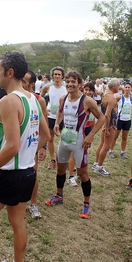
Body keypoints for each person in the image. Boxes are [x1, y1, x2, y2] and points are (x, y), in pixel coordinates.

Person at [0, 51, 49, 262]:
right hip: (28, 174)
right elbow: (46, 135)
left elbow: (12, 146)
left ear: (10, 72)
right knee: (18, 222)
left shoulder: (7, 101)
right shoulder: (33, 99)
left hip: (7, 175)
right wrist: (29, 152)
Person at [45, 71, 105, 219]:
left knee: (83, 173)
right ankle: (59, 195)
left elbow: (102, 118)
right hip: (65, 140)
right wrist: (57, 124)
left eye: (73, 81)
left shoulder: (87, 101)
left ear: (80, 84)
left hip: (79, 142)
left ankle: (86, 204)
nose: (70, 84)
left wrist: (91, 135)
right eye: (68, 81)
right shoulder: (63, 98)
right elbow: (60, 113)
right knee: (60, 169)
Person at [22, 70, 48, 219]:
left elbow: (43, 127)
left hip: (33, 144)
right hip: (17, 145)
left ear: (32, 84)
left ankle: (33, 204)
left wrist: (42, 147)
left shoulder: (39, 100)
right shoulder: (15, 98)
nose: (21, 84)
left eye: (24, 81)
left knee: (32, 175)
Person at [40, 66, 67, 169]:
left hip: (63, 117)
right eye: (55, 74)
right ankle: (52, 160)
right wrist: (44, 108)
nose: (57, 76)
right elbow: (40, 98)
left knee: (65, 139)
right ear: (52, 76)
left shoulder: (66, 87)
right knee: (50, 138)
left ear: (62, 76)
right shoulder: (47, 87)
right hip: (50, 116)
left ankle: (65, 160)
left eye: (59, 74)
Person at [92, 78, 121, 176]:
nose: (119, 87)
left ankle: (96, 163)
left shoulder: (105, 94)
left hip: (104, 123)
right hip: (110, 123)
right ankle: (99, 167)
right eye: (118, 85)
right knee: (106, 146)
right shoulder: (111, 97)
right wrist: (108, 128)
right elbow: (108, 114)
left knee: (102, 143)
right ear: (114, 86)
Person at [108, 82, 132, 159]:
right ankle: (111, 150)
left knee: (125, 137)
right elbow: (113, 103)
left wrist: (129, 111)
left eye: (128, 87)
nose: (127, 89)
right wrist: (116, 111)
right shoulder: (120, 97)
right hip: (119, 119)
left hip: (127, 120)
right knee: (115, 136)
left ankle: (123, 151)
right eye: (126, 87)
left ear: (131, 89)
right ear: (124, 88)